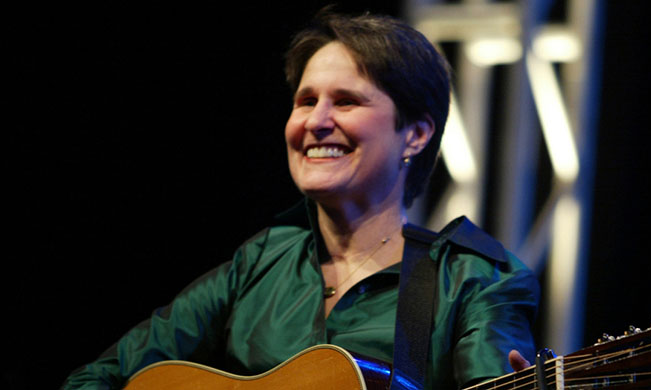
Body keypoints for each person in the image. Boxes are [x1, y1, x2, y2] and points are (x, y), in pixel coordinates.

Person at [63, 10, 538, 389]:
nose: (316, 120)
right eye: (306, 101)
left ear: (414, 135)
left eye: (346, 101)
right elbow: (99, 379)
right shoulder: (259, 263)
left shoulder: (476, 281)